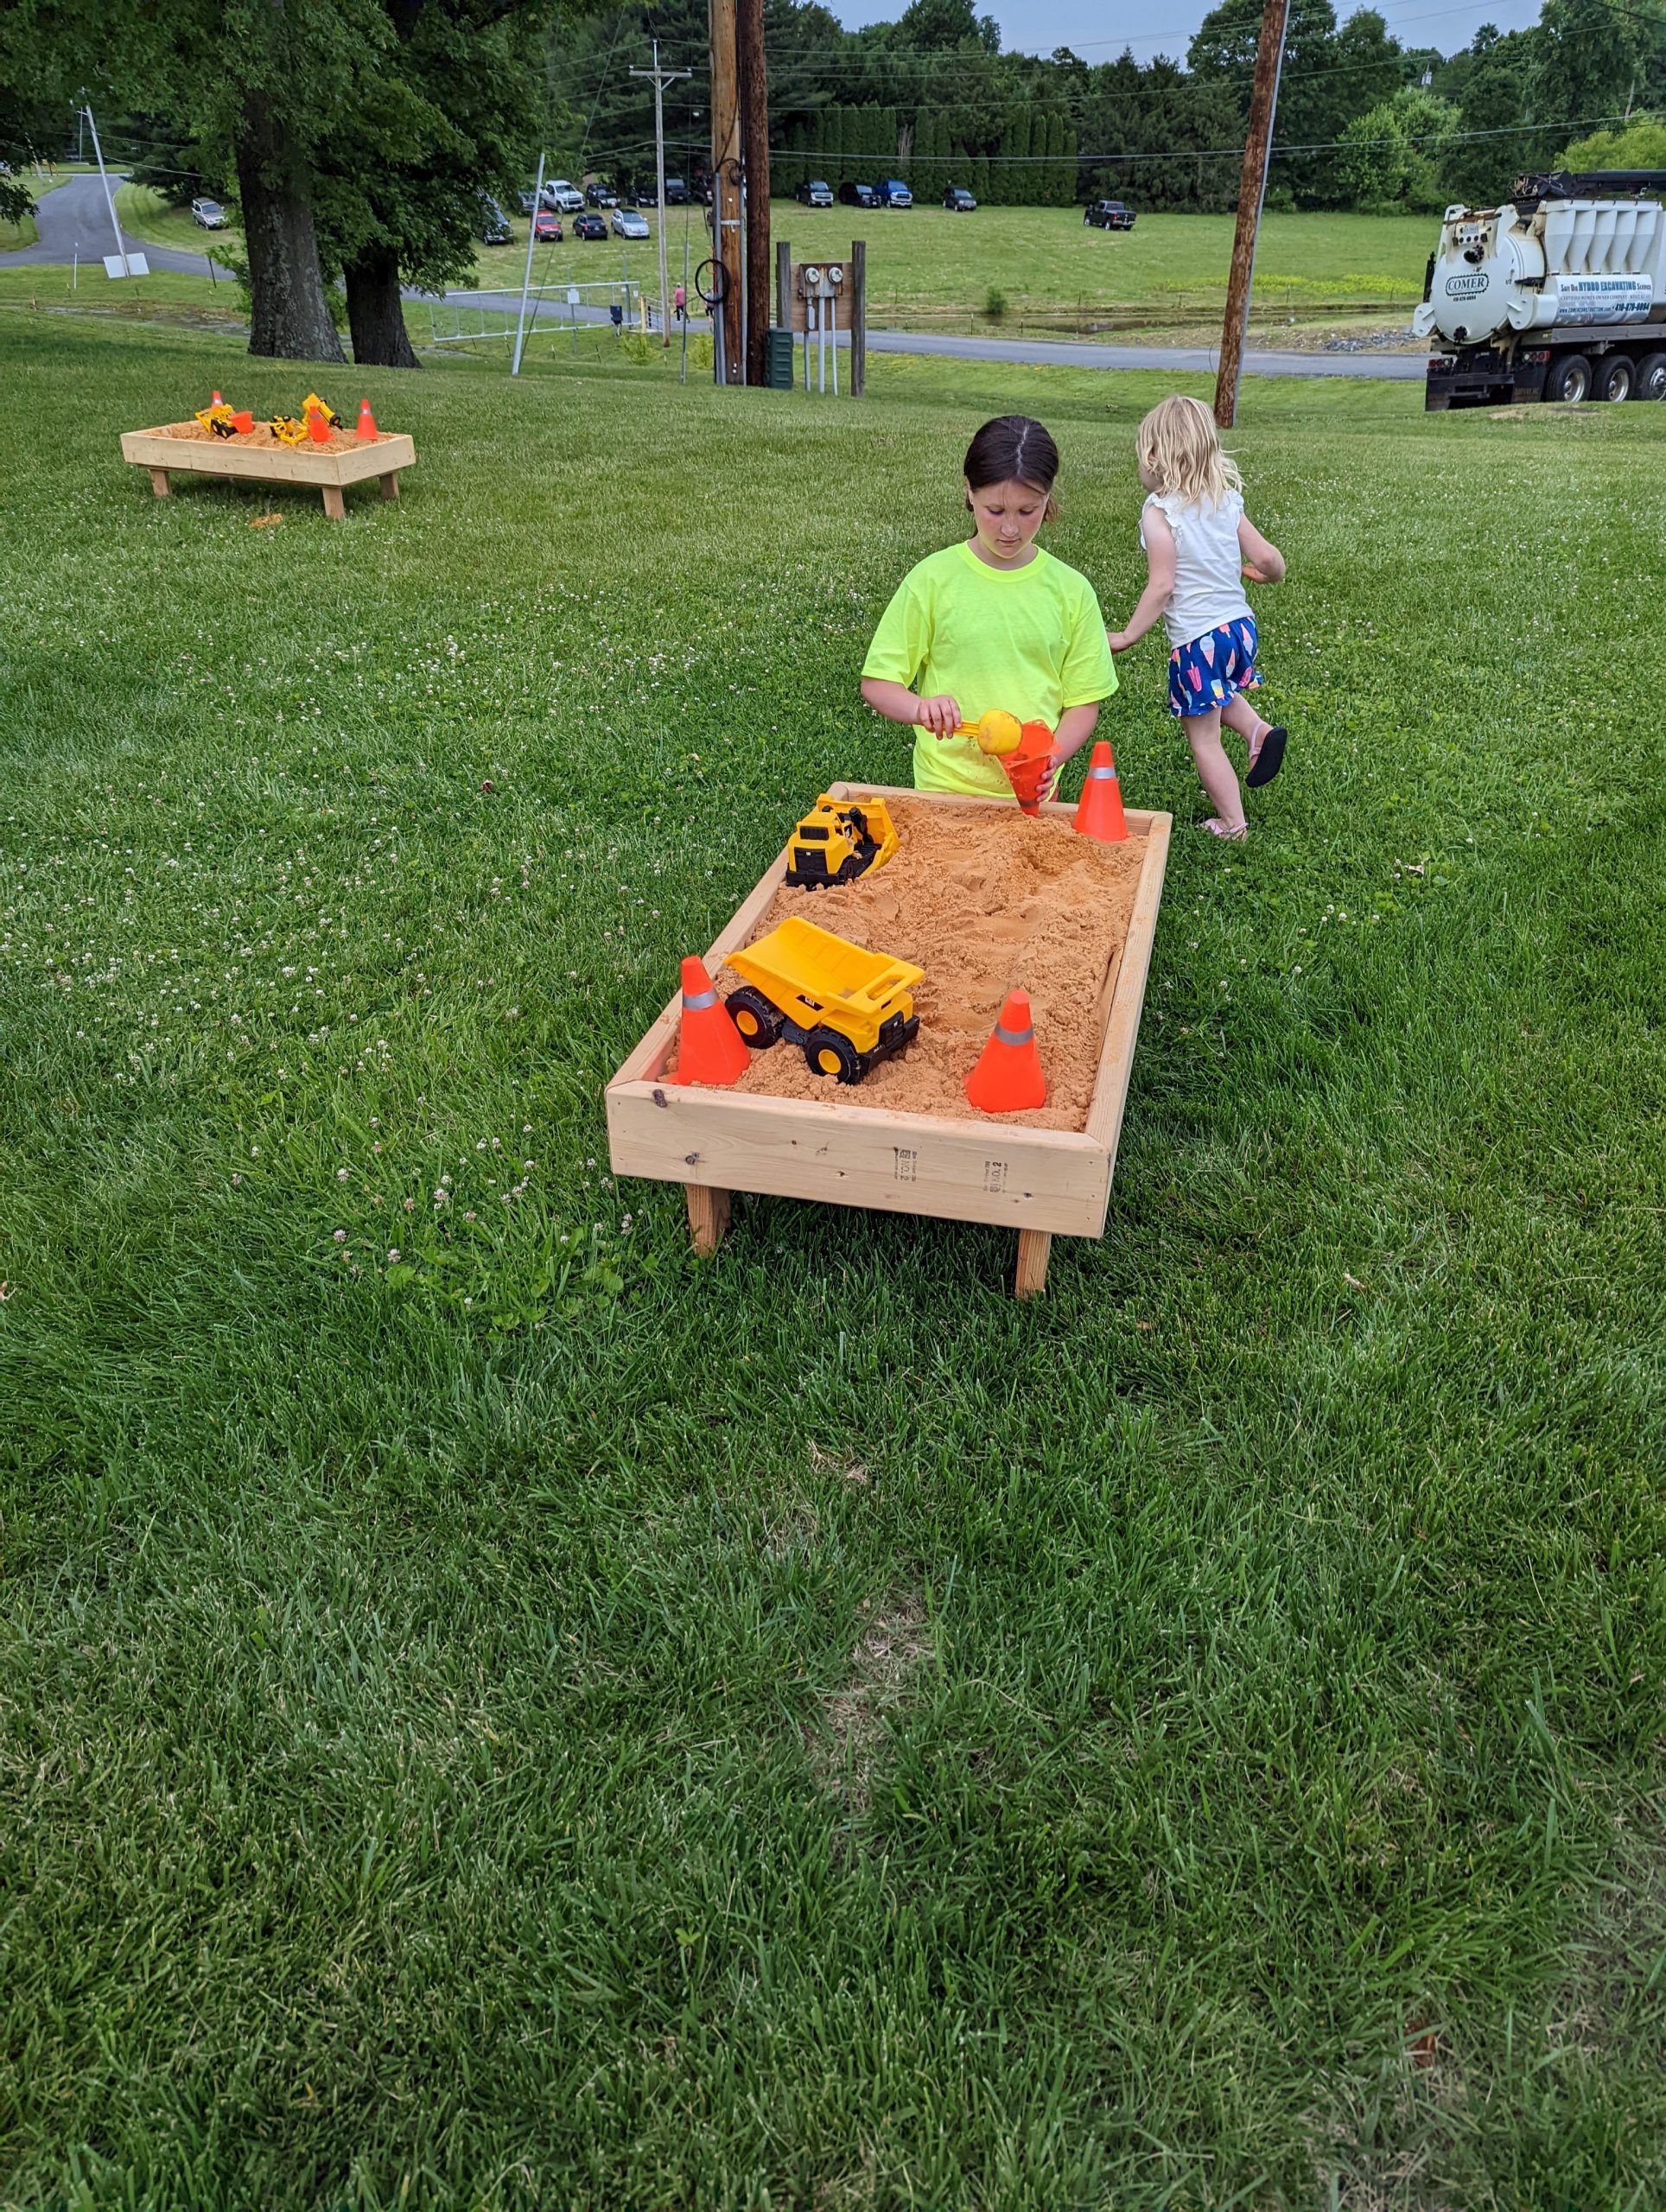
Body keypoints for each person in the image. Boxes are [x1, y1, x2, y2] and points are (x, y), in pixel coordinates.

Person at [861, 416, 1116, 799]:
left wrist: (1051, 757)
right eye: (995, 511)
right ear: (969, 491)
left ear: (1048, 497)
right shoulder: (932, 580)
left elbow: (1083, 702)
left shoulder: (1072, 591)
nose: (1010, 529)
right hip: (943, 790)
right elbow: (877, 683)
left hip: (1030, 795)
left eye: (1027, 511)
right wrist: (920, 708)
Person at [1106, 394, 1287, 842]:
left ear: (1155, 457)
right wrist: (1268, 574)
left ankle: (1232, 823)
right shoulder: (1225, 500)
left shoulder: (1159, 513)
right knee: (1218, 690)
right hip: (1240, 628)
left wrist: (1128, 635)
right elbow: (1268, 557)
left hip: (1198, 639)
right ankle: (1257, 731)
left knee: (1203, 737)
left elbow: (1162, 585)